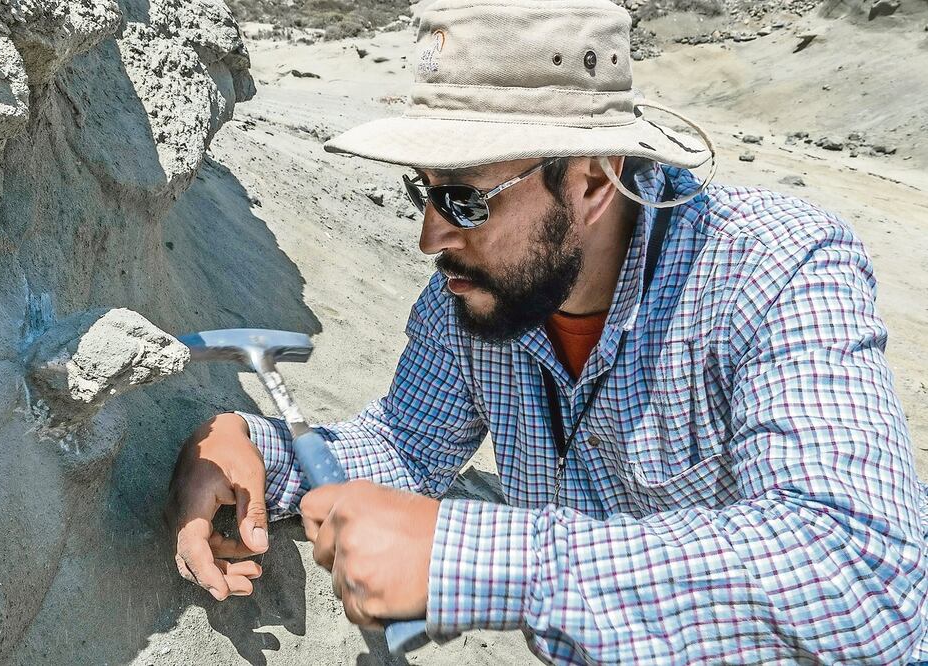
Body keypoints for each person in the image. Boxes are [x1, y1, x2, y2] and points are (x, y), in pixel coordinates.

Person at [165, 0, 928, 662]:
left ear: (592, 181)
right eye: (421, 194)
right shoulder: (470, 302)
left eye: (464, 200)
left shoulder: (772, 266)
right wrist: (256, 453)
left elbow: (861, 582)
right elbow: (405, 446)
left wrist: (469, 557)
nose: (431, 238)